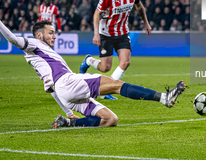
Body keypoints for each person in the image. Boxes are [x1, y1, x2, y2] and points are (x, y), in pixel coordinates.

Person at [0, 20, 187, 128]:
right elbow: (11, 38)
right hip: (68, 83)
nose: (55, 36)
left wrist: (67, 111)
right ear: (39, 35)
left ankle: (68, 123)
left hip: (65, 92)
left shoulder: (39, 56)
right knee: (115, 84)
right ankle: (163, 98)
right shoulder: (34, 44)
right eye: (51, 33)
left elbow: (51, 88)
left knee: (110, 120)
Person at [79, 0, 151, 86]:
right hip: (106, 33)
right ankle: (89, 60)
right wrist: (96, 34)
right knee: (105, 67)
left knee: (125, 62)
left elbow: (139, 7)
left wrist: (146, 23)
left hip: (122, 32)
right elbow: (97, 13)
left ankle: (108, 88)